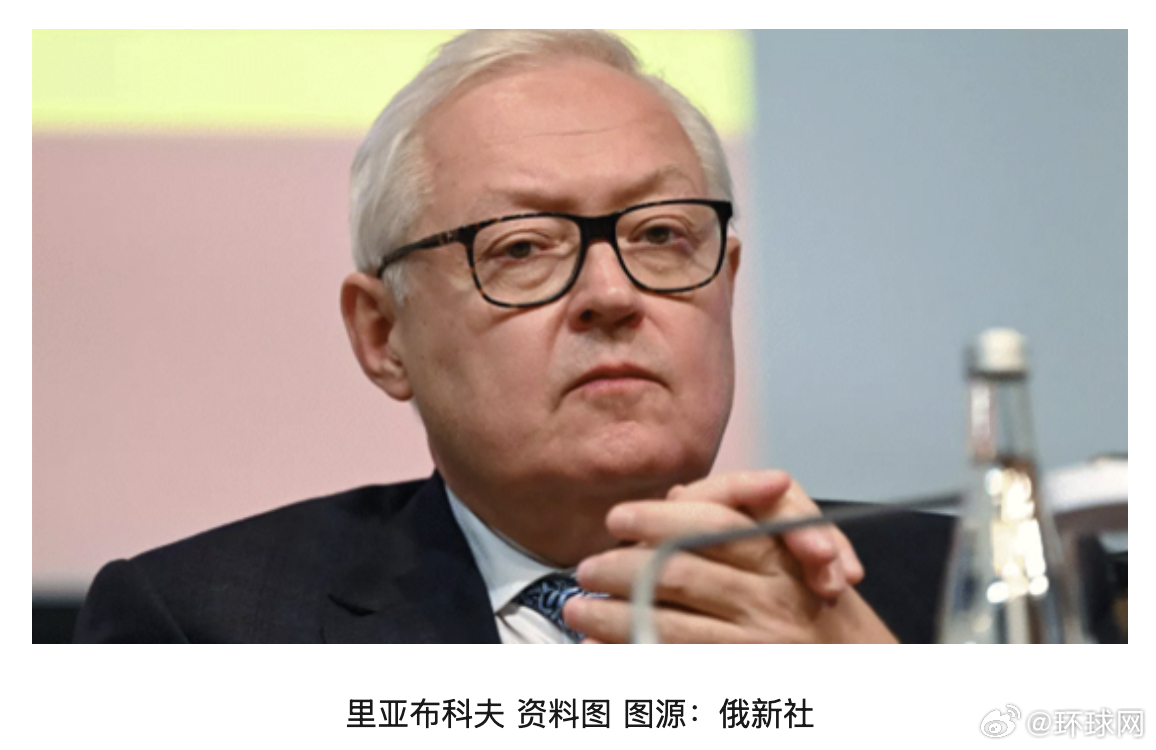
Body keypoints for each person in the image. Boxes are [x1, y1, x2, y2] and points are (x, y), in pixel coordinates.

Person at [74, 29, 951, 644]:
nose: (612, 295)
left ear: (725, 282)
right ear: (383, 336)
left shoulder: (955, 593)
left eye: (660, 236)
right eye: (523, 248)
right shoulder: (207, 629)